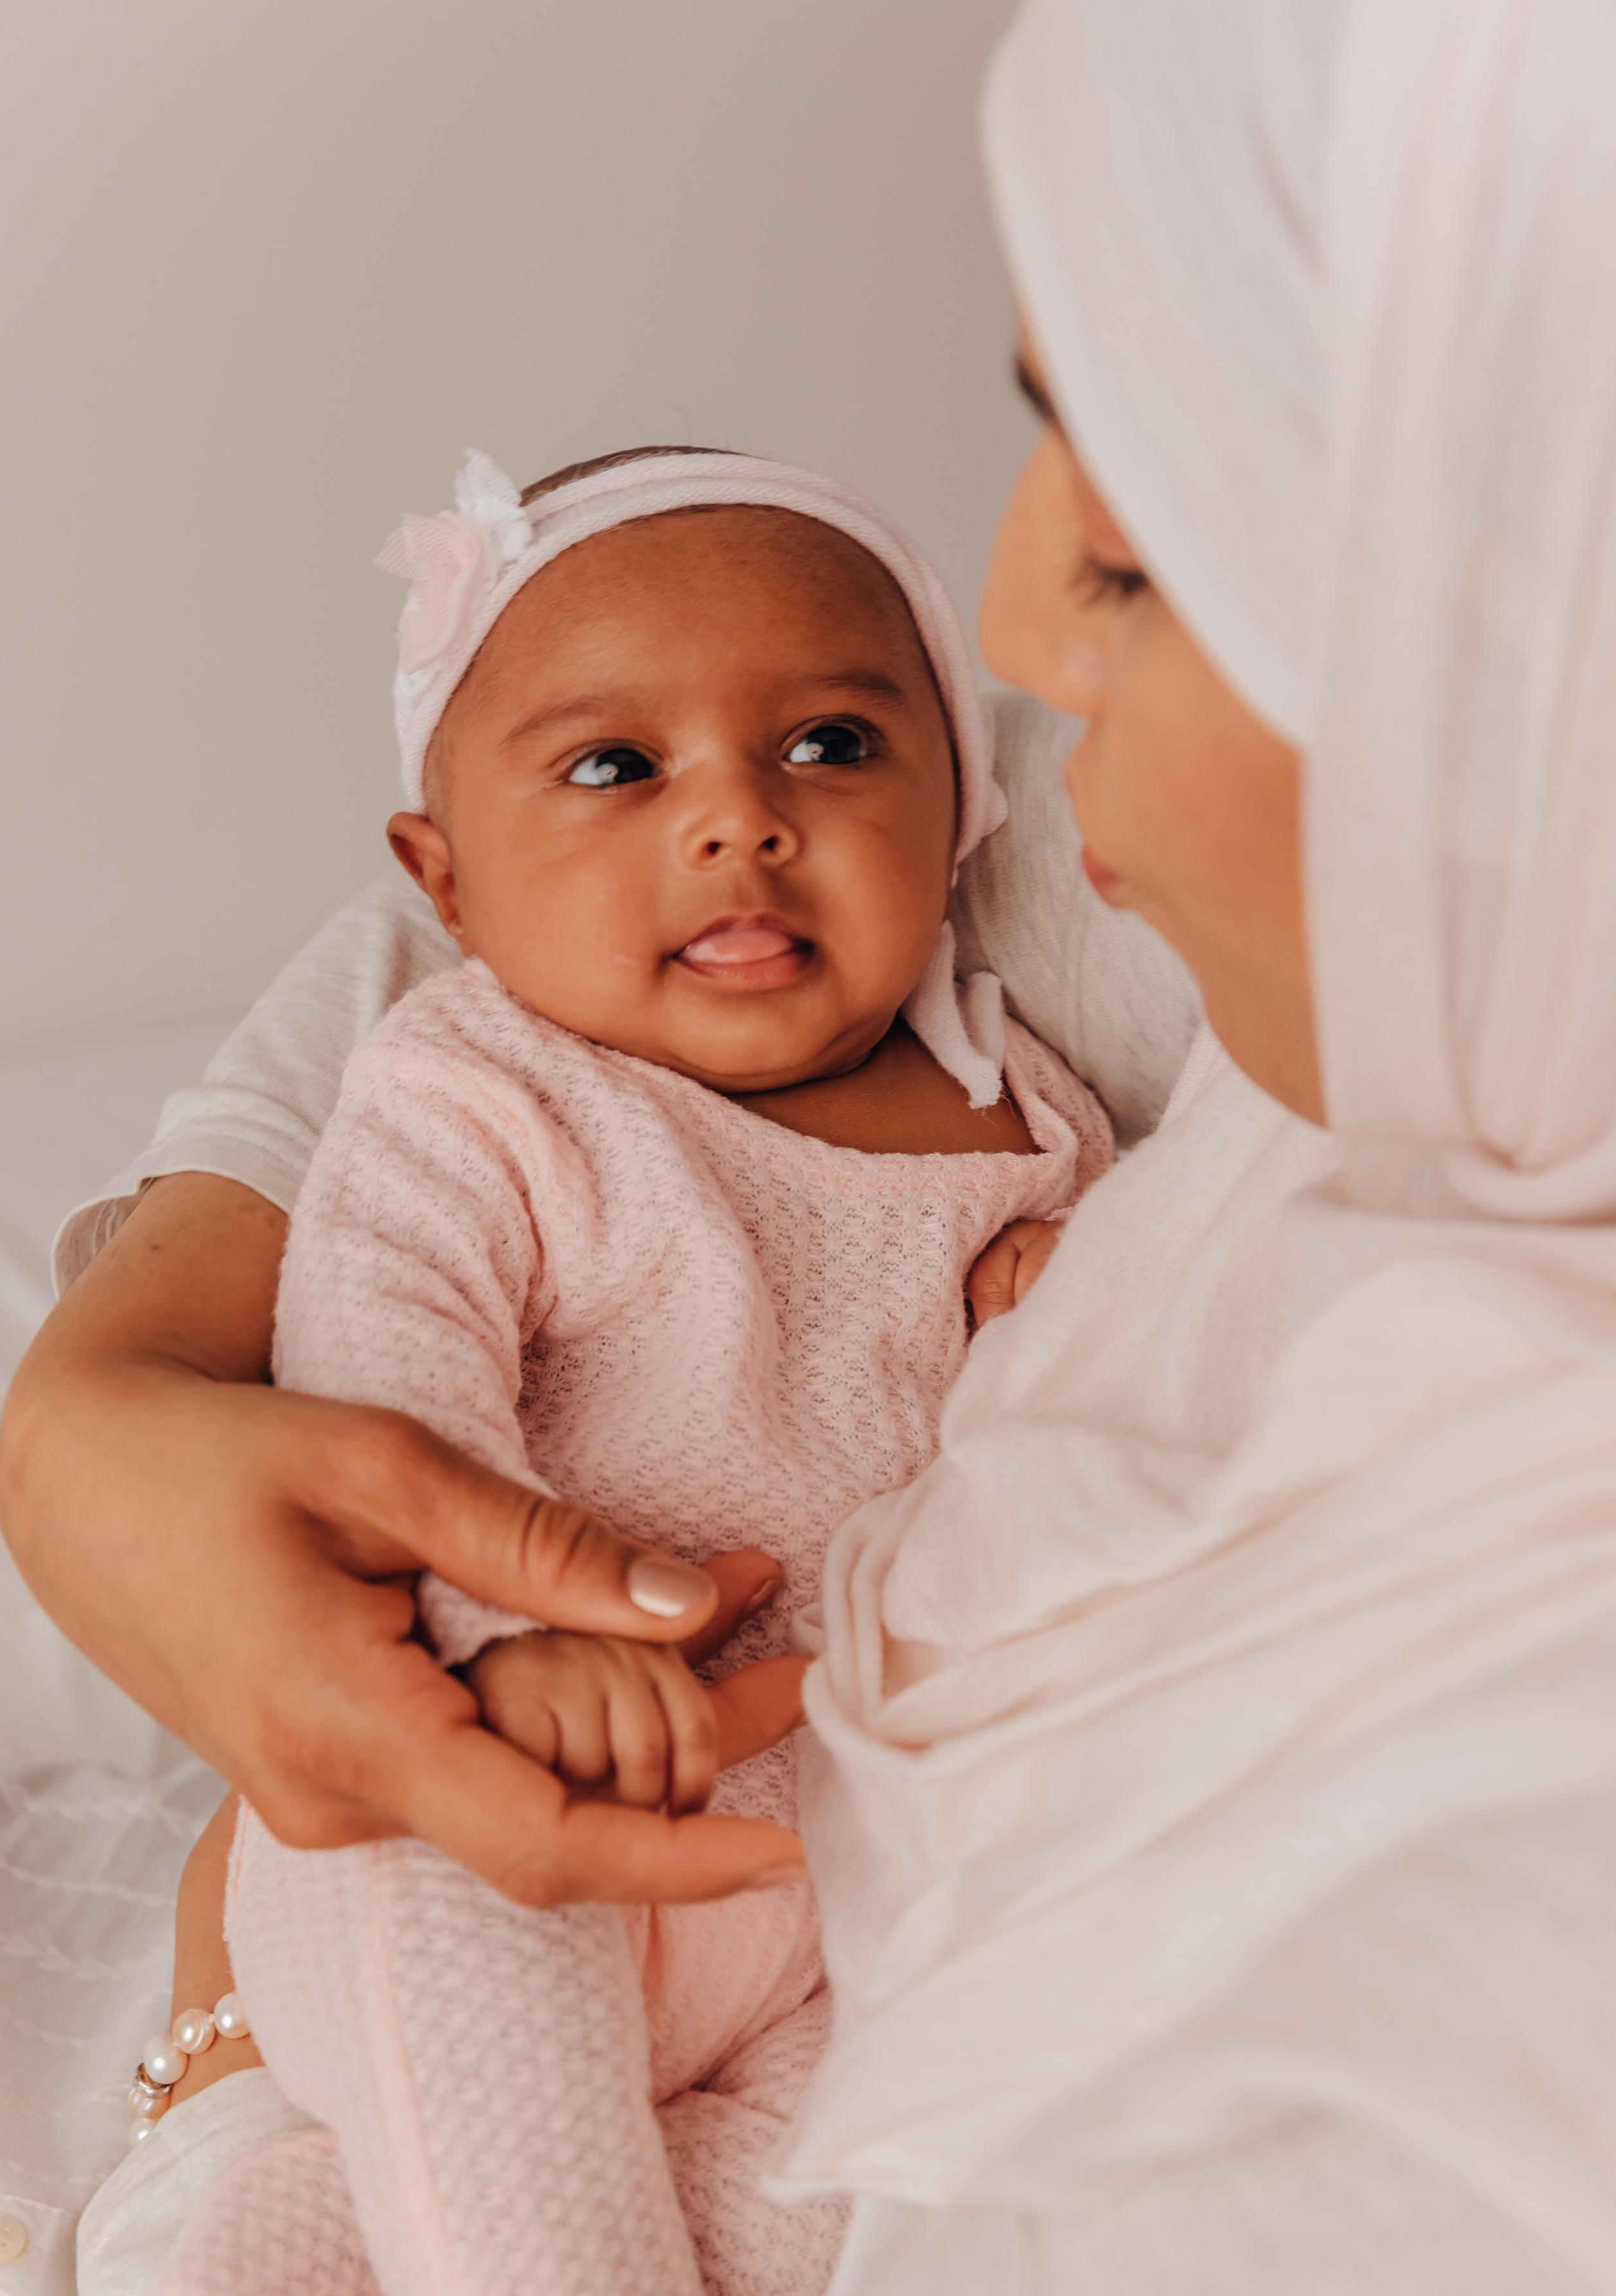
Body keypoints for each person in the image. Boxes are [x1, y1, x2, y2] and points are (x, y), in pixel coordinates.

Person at [757, 1, 1616, 2290]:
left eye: (1132, 553)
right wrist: (123, 1365)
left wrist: (226, 2049)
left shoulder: (1443, 2062)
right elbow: (509, 894)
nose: (1013, 625)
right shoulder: (1413, 1011)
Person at [73, 445, 1112, 2296]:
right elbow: (390, 1357)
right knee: (520, 2143)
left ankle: (288, 2250)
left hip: (816, 1859)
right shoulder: (476, 1087)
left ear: (961, 804)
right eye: (616, 766)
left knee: (856, 2190)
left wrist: (1068, 1312)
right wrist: (497, 1636)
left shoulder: (1031, 1113)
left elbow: (1088, 1446)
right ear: (445, 879)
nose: (740, 817)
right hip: (477, 1774)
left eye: (834, 746)